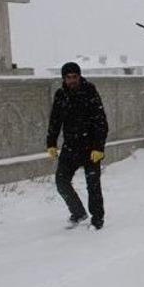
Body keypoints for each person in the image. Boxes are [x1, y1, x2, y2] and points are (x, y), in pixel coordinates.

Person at [46, 62, 109, 230]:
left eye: (75, 77)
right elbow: (55, 120)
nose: (72, 80)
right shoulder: (61, 95)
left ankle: (97, 220)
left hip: (90, 148)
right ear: (64, 79)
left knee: (93, 184)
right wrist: (51, 143)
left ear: (79, 76)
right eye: (68, 77)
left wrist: (99, 147)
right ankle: (78, 212)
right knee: (61, 181)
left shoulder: (89, 92)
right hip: (71, 147)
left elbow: (100, 121)